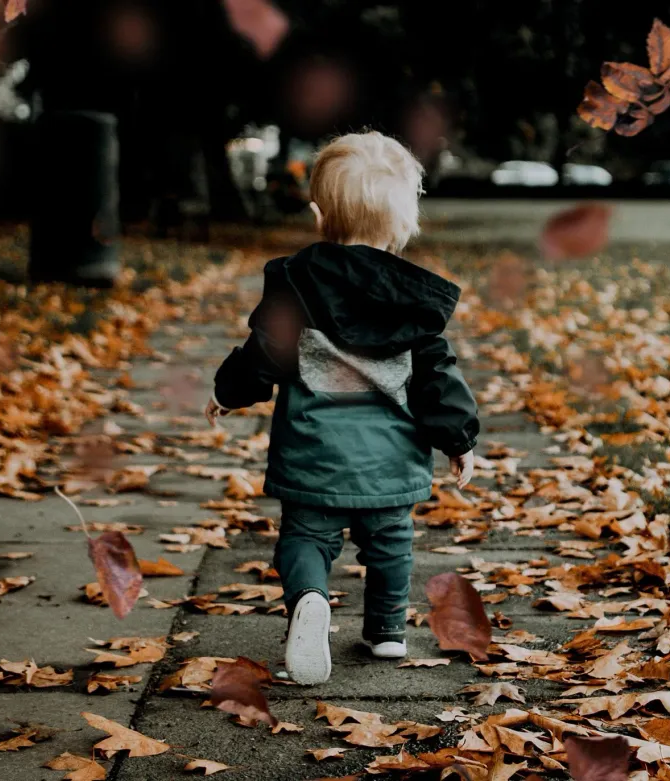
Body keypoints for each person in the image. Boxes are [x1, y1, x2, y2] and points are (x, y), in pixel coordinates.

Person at [205, 130, 479, 685]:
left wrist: (226, 392)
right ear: (404, 225)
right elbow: (437, 376)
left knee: (305, 539)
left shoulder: (296, 287)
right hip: (390, 464)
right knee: (391, 544)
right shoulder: (412, 303)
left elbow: (264, 353)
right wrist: (459, 437)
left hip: (312, 457)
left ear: (318, 214)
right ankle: (386, 630)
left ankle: (310, 597)